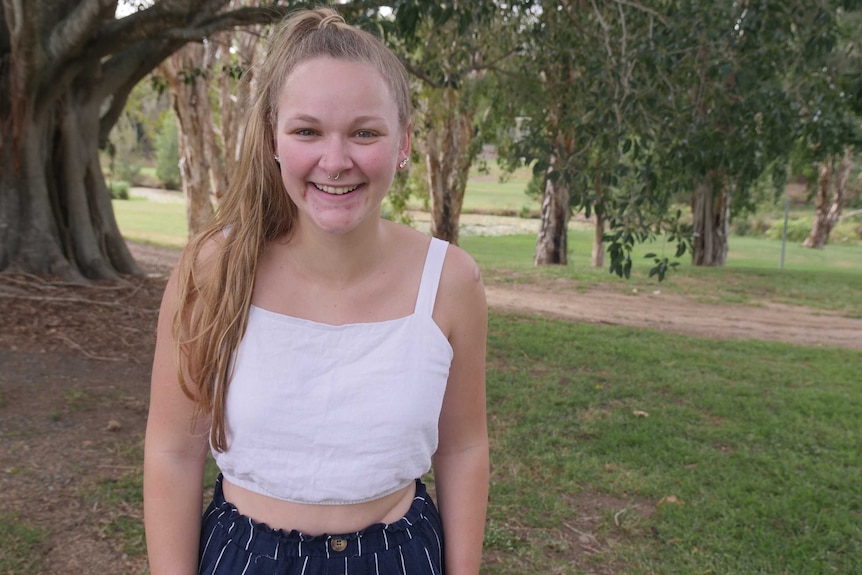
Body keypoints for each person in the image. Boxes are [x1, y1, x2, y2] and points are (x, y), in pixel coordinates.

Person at [143, 7, 489, 575]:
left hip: (399, 558)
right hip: (246, 558)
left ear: (402, 142)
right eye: (307, 131)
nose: (335, 160)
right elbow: (172, 453)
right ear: (274, 138)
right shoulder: (216, 270)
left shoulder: (450, 282)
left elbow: (464, 448)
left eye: (364, 132)